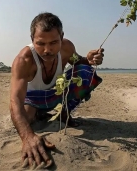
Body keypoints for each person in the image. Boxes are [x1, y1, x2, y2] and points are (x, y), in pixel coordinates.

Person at [9, 12, 104, 169]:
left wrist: (88, 59)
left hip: (56, 93)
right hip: (32, 99)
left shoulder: (67, 47)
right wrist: (27, 137)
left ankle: (64, 114)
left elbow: (77, 61)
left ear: (62, 37)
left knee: (86, 72)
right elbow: (15, 100)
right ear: (32, 39)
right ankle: (39, 113)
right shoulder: (24, 60)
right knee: (26, 119)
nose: (47, 50)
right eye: (40, 44)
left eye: (53, 42)